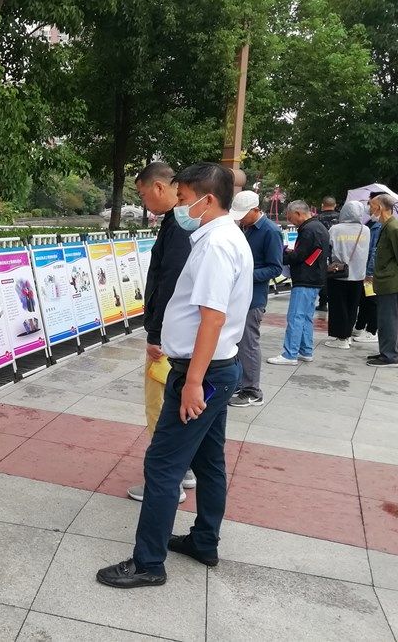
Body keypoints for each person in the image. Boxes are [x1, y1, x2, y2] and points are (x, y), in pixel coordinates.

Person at [97, 163, 252, 589]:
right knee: (209, 460)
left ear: (207, 199)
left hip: (203, 372)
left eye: (182, 198)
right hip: (216, 368)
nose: (179, 206)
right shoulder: (221, 237)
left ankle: (148, 563)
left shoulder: (216, 245)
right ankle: (204, 540)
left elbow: (212, 318)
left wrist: (194, 382)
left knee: (162, 464)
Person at [126, 162, 195, 505]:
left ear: (158, 188)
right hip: (182, 334)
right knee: (175, 402)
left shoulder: (179, 227)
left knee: (160, 405)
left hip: (170, 335)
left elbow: (170, 284)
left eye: (142, 194)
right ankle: (184, 469)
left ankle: (168, 481)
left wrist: (155, 334)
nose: (143, 202)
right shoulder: (181, 223)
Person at [228, 191, 282, 407]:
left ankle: (252, 390)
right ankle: (240, 384)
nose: (240, 218)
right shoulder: (245, 228)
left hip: (254, 298)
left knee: (248, 344)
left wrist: (245, 274)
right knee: (237, 342)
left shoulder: (270, 231)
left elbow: (275, 268)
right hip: (239, 295)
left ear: (255, 210)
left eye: (243, 214)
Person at [267, 201, 329, 365]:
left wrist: (281, 256)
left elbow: (299, 256)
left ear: (298, 213)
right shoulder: (319, 227)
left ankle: (290, 354)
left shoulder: (308, 229)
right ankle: (305, 350)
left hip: (305, 278)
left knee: (295, 317)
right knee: (306, 317)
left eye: (290, 217)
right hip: (315, 278)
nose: (290, 221)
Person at [367, 194, 398, 367]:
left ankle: (390, 356)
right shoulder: (387, 226)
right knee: (387, 319)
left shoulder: (393, 227)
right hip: (387, 280)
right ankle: (388, 351)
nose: (370, 209)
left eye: (371, 205)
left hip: (391, 281)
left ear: (379, 207)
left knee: (388, 319)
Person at [323, 200, 370, 349]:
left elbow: (328, 248)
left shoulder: (335, 229)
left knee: (338, 306)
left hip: (338, 273)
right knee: (352, 306)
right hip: (358, 274)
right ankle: (347, 335)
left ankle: (341, 338)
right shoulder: (365, 230)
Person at [351, 215, 382, 344]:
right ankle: (360, 326)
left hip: (370, 272)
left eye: (373, 206)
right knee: (364, 299)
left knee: (371, 299)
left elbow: (375, 251)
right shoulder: (368, 224)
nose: (370, 209)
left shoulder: (378, 227)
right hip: (363, 269)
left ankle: (372, 330)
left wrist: (370, 272)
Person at [315, 197, 340, 312]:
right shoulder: (340, 218)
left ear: (322, 205)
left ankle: (323, 302)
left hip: (321, 251)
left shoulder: (317, 219)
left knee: (323, 276)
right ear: (335, 205)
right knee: (337, 274)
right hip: (337, 251)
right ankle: (335, 300)